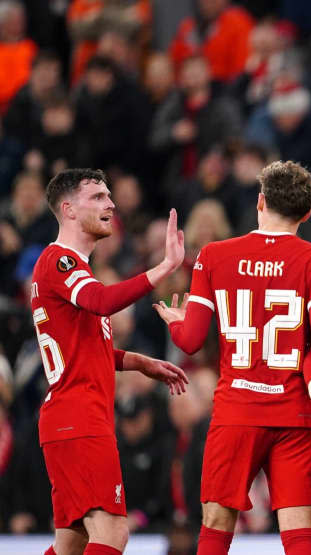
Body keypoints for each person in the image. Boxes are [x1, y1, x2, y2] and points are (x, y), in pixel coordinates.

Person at [153, 160, 311, 555]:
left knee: (215, 526)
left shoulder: (213, 255)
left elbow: (191, 342)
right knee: (299, 535)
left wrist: (175, 322)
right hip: (293, 415)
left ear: (260, 202)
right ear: (308, 213)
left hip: (236, 412)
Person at [31, 168, 190, 555]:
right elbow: (101, 302)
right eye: (98, 197)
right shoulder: (60, 262)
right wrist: (165, 267)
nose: (111, 204)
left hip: (69, 418)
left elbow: (84, 348)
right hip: (79, 418)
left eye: (109, 196)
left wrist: (139, 362)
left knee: (72, 543)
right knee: (112, 532)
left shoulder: (69, 268)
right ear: (68, 209)